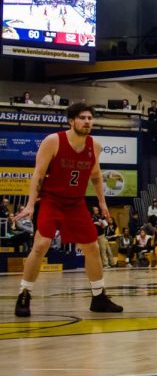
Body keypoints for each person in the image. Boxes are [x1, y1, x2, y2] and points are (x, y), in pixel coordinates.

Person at [13, 102, 123, 316]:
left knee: (92, 247)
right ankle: (24, 294)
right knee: (41, 244)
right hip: (52, 200)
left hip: (76, 202)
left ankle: (99, 296)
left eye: (90, 118)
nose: (87, 121)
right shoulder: (53, 141)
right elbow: (38, 174)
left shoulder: (95, 146)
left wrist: (102, 203)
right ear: (71, 121)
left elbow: (96, 176)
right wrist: (30, 204)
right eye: (82, 118)